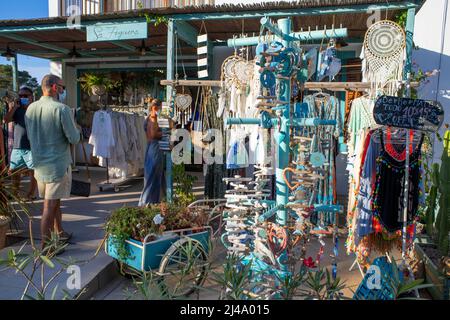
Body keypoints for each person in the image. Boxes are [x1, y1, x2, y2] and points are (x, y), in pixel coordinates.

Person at [25, 74, 80, 248]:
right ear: (55, 87)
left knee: (54, 202)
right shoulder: (61, 109)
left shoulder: (31, 108)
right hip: (57, 164)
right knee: (49, 207)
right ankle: (46, 247)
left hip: (39, 165)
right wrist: (78, 130)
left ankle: (60, 232)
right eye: (62, 87)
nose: (63, 90)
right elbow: (73, 138)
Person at [3, 87, 38, 200]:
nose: (23, 98)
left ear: (31, 97)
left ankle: (31, 194)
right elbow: (6, 120)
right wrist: (13, 108)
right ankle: (15, 193)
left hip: (32, 147)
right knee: (14, 171)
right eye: (21, 96)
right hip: (17, 146)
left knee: (33, 171)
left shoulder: (36, 110)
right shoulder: (17, 110)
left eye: (26, 96)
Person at [139, 98, 164, 206]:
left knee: (153, 175)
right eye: (160, 107)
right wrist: (165, 133)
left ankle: (153, 201)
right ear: (155, 107)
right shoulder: (153, 118)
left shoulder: (149, 117)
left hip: (151, 147)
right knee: (152, 175)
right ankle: (145, 202)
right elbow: (153, 134)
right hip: (154, 147)